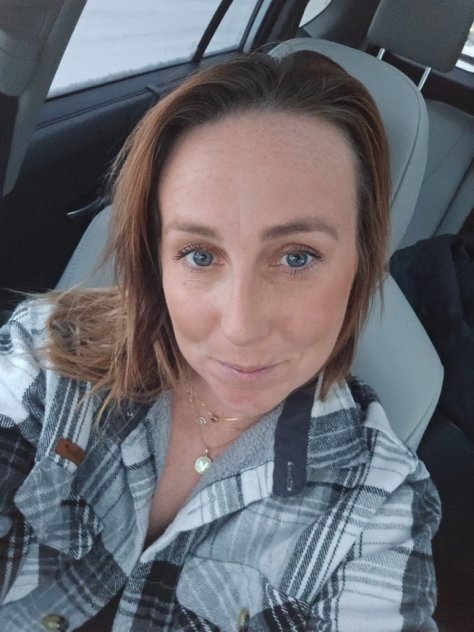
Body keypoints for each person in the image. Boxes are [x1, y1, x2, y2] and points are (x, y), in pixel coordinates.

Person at [0, 50, 440, 631]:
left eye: (297, 257)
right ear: (155, 258)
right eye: (200, 255)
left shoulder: (378, 505)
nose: (240, 327)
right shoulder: (49, 353)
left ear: (361, 262)